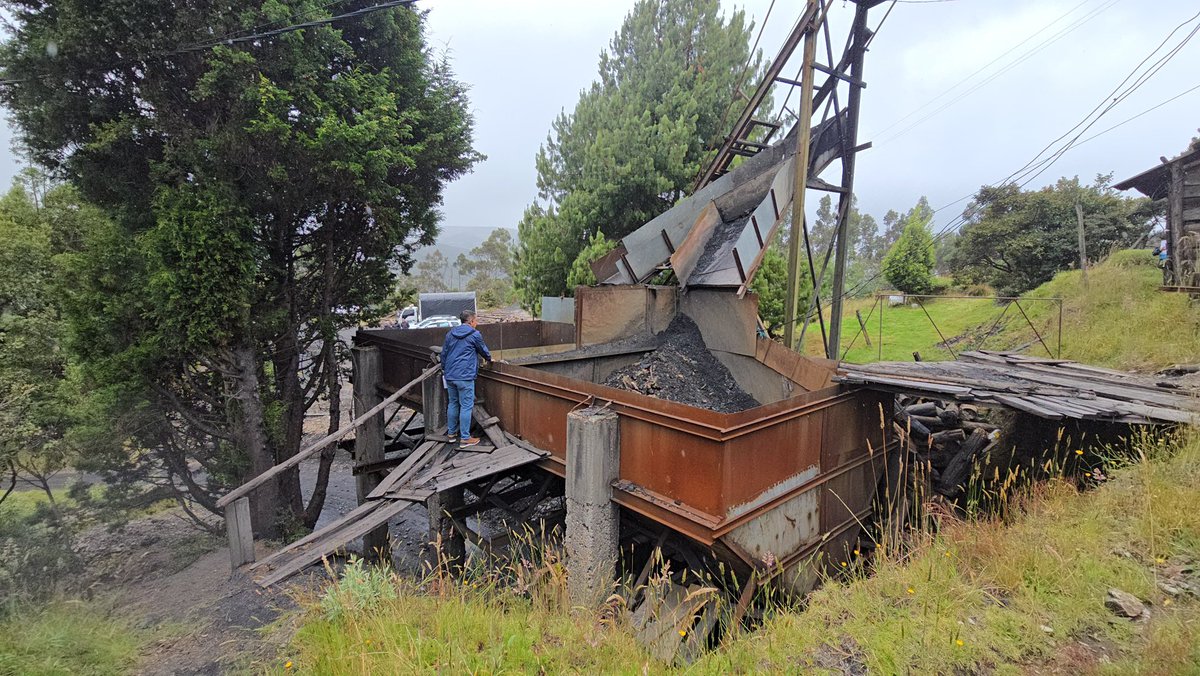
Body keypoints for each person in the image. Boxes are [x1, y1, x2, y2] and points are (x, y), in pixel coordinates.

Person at [440, 310, 492, 446]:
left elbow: (444, 353)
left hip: (450, 375)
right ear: (471, 321)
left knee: (453, 403)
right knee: (466, 406)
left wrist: (445, 369)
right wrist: (490, 358)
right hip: (464, 375)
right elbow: (483, 350)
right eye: (476, 320)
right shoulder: (475, 334)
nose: (477, 323)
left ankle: (451, 434)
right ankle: (465, 438)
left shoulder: (450, 333)